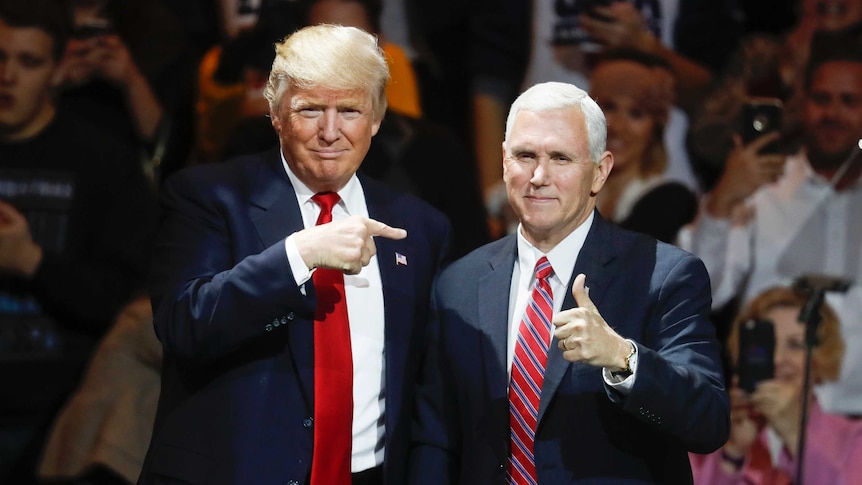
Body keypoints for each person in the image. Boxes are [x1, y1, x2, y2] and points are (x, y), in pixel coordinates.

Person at [138, 24, 452, 485]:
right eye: (310, 110)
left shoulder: (420, 228)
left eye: (349, 110)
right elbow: (185, 325)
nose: (330, 131)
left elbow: (428, 386)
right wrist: (299, 254)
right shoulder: (207, 197)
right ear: (276, 114)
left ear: (378, 117)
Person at [410, 81, 729, 484]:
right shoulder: (458, 283)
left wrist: (623, 358)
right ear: (504, 162)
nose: (539, 176)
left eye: (561, 158)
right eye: (525, 156)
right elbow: (437, 436)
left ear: (600, 172)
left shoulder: (663, 276)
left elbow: (709, 422)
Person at [0, 0, 158, 482]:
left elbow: (124, 302)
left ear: (56, 69)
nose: (8, 76)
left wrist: (32, 262)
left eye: (28, 62)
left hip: (56, 417)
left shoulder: (101, 161)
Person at [680, 29, 862, 417]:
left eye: (850, 102)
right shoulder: (759, 188)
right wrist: (722, 201)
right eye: (821, 99)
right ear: (802, 103)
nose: (832, 113)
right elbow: (701, 290)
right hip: (761, 423)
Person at [690, 286, 862, 484]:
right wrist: (733, 452)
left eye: (796, 345)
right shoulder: (708, 434)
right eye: (766, 345)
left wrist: (796, 434)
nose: (778, 359)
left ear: (822, 355)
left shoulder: (854, 440)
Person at [589, 49, 697, 243]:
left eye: (636, 113)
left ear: (655, 127)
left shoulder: (670, 200)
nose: (619, 127)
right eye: (609, 107)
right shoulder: (559, 189)